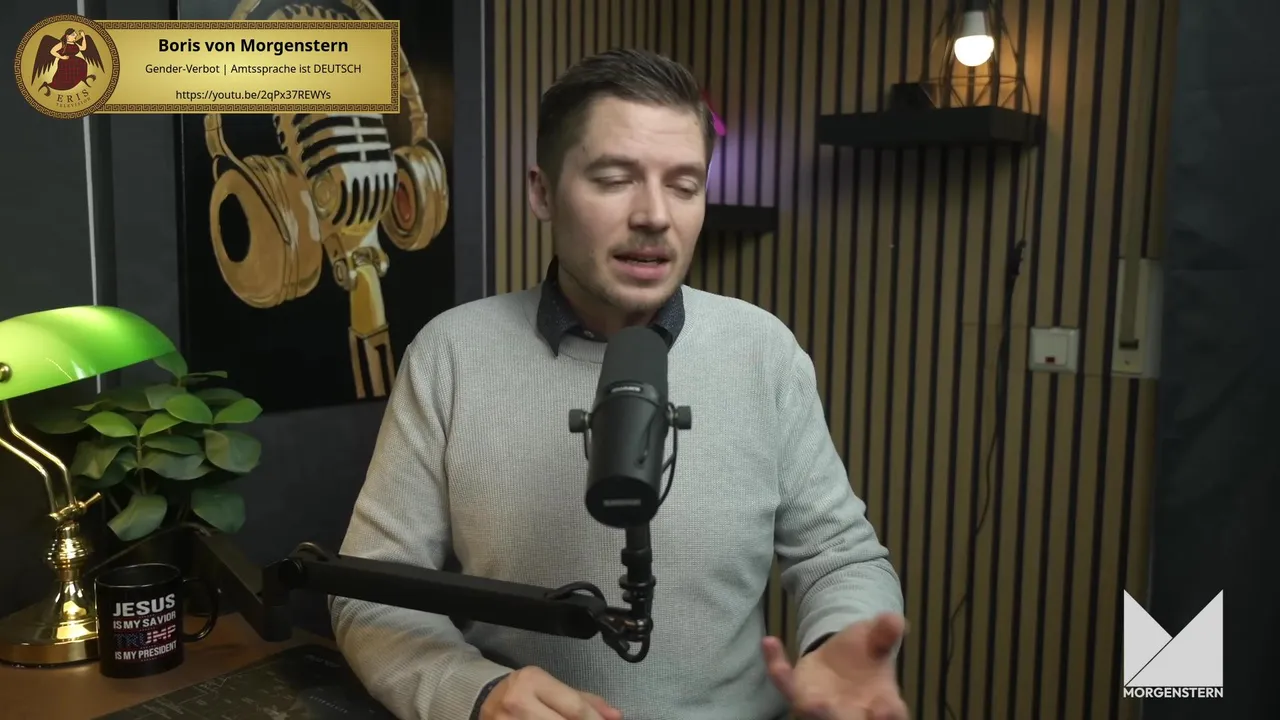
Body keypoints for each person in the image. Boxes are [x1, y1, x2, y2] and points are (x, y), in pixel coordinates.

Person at [330, 48, 908, 720]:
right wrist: (474, 694)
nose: (655, 215)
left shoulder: (763, 351)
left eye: (684, 185)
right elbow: (369, 592)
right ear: (542, 191)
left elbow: (840, 557)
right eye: (614, 179)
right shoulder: (450, 355)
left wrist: (842, 638)